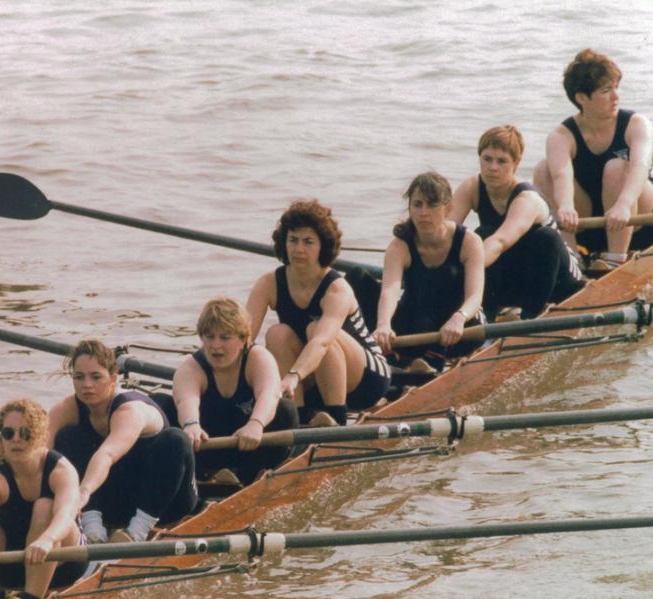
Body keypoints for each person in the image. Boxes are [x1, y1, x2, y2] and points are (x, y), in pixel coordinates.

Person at [245, 199, 391, 427]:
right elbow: (244, 339)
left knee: (316, 330)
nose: (298, 249)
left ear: (323, 246)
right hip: (309, 377)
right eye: (292, 240)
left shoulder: (336, 288)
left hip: (367, 379)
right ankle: (298, 420)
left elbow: (322, 342)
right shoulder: (268, 283)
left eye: (308, 242)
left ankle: (337, 419)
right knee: (276, 334)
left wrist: (292, 377)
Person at [533, 48, 653, 270]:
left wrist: (624, 204)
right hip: (596, 221)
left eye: (616, 88)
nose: (616, 96)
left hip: (643, 219)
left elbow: (640, 167)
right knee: (543, 170)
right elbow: (561, 176)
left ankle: (616, 260)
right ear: (581, 98)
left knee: (616, 168)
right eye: (606, 90)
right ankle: (573, 260)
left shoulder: (636, 124)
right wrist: (566, 207)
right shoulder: (561, 136)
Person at [49, 340, 198, 544]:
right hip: (119, 498)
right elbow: (39, 448)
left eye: (96, 377)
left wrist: (83, 491)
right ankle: (93, 529)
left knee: (176, 439)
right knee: (67, 437)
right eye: (79, 377)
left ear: (113, 377)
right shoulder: (67, 408)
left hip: (165, 502)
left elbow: (107, 455)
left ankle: (136, 533)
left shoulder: (130, 410)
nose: (87, 385)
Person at [0, 399, 85, 599]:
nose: (16, 440)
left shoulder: (60, 470)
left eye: (25, 434)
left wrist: (47, 539)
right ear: (0, 436)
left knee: (44, 506)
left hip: (61, 561)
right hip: (12, 561)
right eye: (8, 433)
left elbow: (66, 514)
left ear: (40, 436)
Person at [154, 297, 299, 486]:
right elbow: (186, 400)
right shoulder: (191, 368)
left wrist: (256, 423)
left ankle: (250, 480)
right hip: (206, 447)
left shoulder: (258, 358)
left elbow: (269, 395)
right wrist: (191, 424)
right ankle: (194, 480)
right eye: (209, 336)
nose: (215, 345)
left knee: (285, 410)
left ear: (243, 339)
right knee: (158, 405)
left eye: (225, 337)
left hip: (251, 447)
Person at [452, 125, 585, 320]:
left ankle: (530, 317)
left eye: (502, 161)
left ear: (516, 163)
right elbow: (445, 230)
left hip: (558, 280)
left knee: (544, 237)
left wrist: (463, 269)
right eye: (487, 159)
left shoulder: (527, 198)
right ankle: (488, 315)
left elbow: (499, 242)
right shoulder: (471, 187)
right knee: (480, 234)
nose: (492, 167)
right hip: (519, 275)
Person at [374, 171, 486, 372]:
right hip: (419, 325)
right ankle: (400, 360)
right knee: (359, 279)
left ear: (448, 208)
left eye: (432, 205)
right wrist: (383, 324)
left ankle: (418, 364)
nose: (423, 213)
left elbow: (475, 296)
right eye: (417, 205)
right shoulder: (399, 247)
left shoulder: (469, 242)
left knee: (446, 287)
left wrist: (459, 317)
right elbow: (390, 290)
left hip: (461, 327)